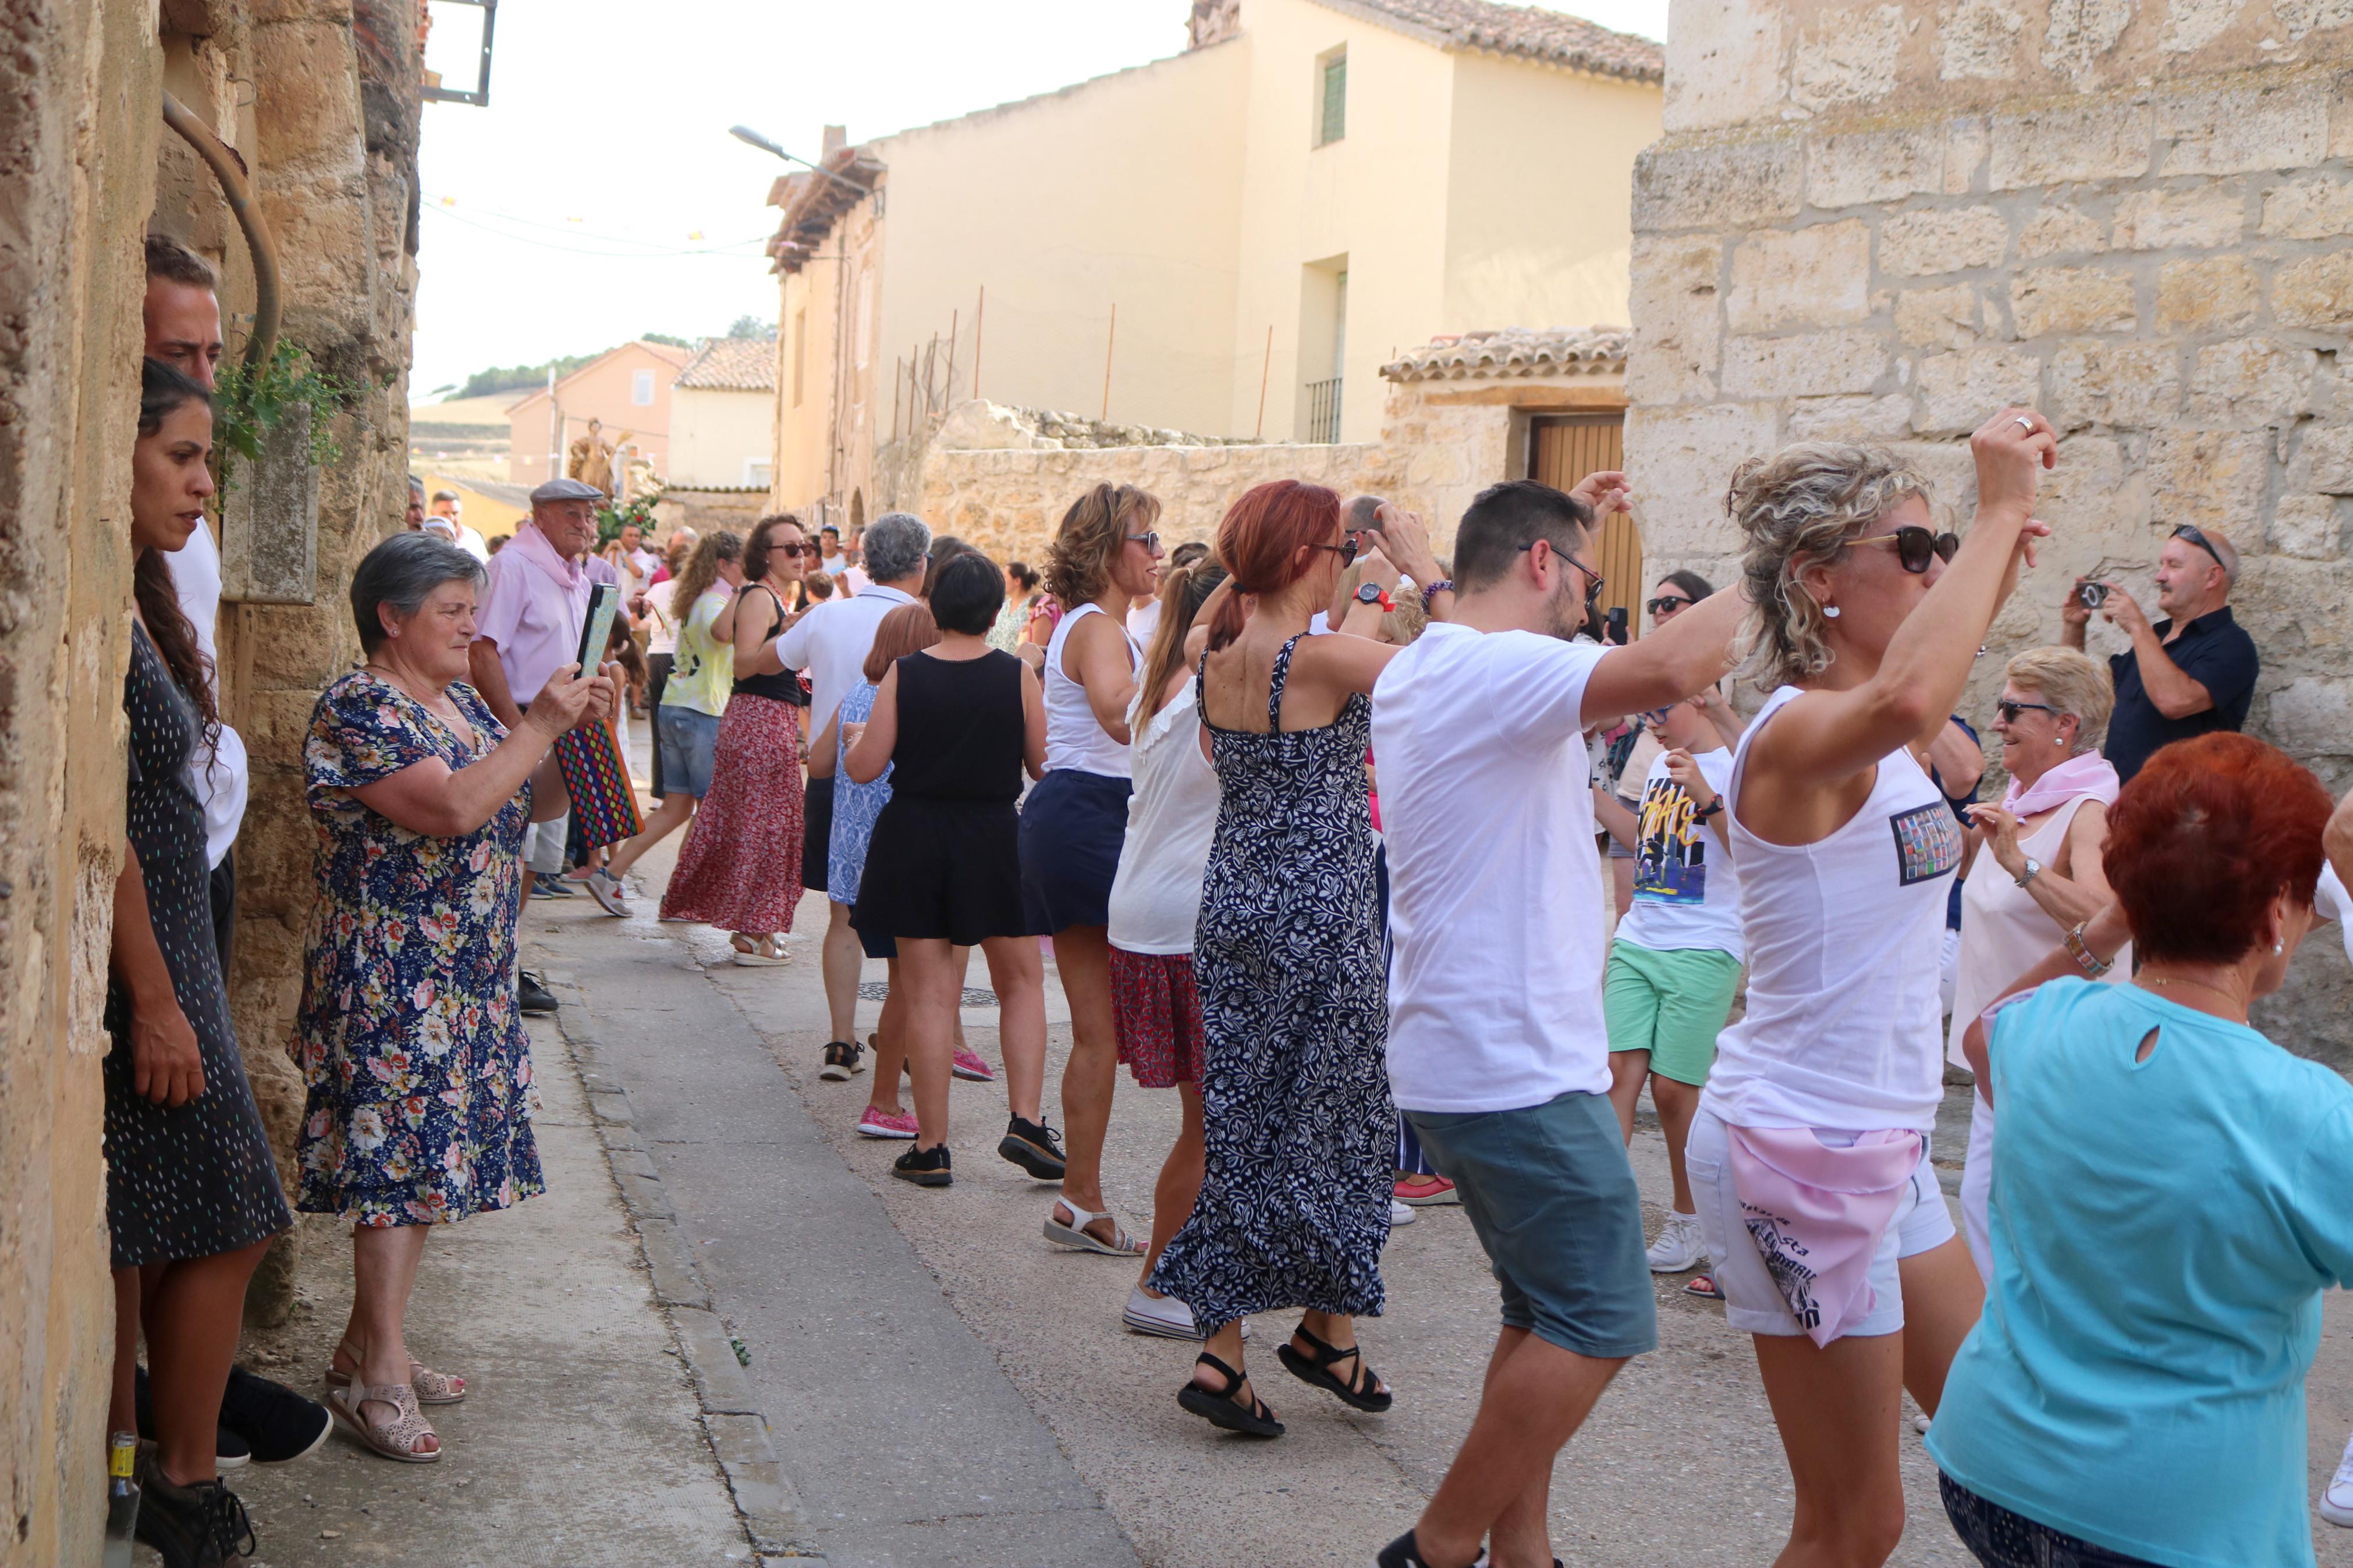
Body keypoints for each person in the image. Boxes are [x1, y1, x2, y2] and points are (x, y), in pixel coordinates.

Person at [1683, 413, 2053, 1568]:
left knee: (2007, 1447)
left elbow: (1917, 685)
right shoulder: (1796, 738)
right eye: (1906, 550)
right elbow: (1901, 700)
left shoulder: (1880, 731)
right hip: (1803, 1141)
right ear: (1813, 578)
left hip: (1877, 1140)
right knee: (1854, 1524)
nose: (1930, 568)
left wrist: (1986, 551)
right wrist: (1991, 514)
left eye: (1932, 547)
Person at [1368, 478, 1746, 1568]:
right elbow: (1677, 668)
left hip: (1472, 1053)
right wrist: (1783, 567)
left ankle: (1520, 1552)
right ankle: (1438, 1549)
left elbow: (1456, 606)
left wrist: (1424, 565)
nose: (1592, 599)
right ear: (1542, 565)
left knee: (1539, 1311)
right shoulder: (1496, 665)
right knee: (1602, 1316)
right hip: (1513, 1063)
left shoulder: (1439, 656)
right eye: (1585, 575)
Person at [1929, 734, 2346, 1568]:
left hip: (1990, 1465)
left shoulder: (2036, 1029)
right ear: (2274, 916)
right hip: (2170, 1518)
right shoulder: (2306, 1116)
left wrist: (2107, 925)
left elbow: (1979, 1034)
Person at [298, 532, 612, 1463]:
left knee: (425, 1161)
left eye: (473, 611)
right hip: (392, 972)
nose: (471, 627)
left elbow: (531, 801)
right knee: (395, 1168)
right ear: (392, 617)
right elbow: (449, 808)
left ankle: (366, 1343)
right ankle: (377, 1379)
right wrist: (539, 726)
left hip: (462, 971)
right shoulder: (362, 705)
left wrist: (574, 732)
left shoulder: (458, 702)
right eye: (451, 611)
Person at [1147, 481, 1446, 1442]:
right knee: (1345, 1126)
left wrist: (1364, 582)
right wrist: (1417, 566)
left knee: (1245, 1125)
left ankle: (1255, 1342)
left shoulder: (1216, 659)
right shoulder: (1320, 658)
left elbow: (1324, 639)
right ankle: (1320, 1331)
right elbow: (1451, 674)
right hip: (1320, 919)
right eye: (1329, 547)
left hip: (1231, 910)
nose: (1337, 559)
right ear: (1299, 557)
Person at [109, 358, 293, 1565]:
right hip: (154, 980)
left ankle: (159, 1469)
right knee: (232, 1212)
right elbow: (99, 820)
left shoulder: (135, 595)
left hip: (176, 957)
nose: (199, 485)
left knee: (189, 1219)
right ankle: (179, 1480)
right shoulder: (96, 608)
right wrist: (162, 1003)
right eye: (180, 456)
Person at [843, 552, 1062, 1187]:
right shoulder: (1015, 675)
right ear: (996, 612)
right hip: (993, 833)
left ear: (931, 607)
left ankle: (932, 1146)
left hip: (914, 835)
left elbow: (863, 768)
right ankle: (1024, 1119)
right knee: (1020, 981)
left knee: (929, 995)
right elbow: (1042, 763)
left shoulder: (905, 675)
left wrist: (859, 737)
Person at [1946, 647, 2123, 1274]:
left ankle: (2031, 1354)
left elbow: (2104, 918)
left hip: (2056, 1057)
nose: (1995, 723)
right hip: (2004, 1052)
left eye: (2010, 709)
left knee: (2020, 1219)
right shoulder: (2020, 796)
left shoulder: (2089, 810)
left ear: (2063, 724)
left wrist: (2020, 862)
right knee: (1989, 1211)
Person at [1023, 483, 1165, 1257]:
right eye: (1145, 538)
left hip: (1076, 812)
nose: (1156, 550)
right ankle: (1081, 1197)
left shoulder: (1091, 623)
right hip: (1090, 814)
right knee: (1099, 1031)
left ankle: (1080, 1199)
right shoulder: (1102, 628)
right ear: (1108, 548)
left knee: (1095, 1031)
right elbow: (1119, 712)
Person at [1105, 559, 1231, 1338]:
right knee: (1211, 1121)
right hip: (1180, 920)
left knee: (1209, 1117)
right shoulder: (1203, 686)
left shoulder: (1160, 694)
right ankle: (1158, 1281)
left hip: (1149, 911)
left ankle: (1176, 1274)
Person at [765, 512, 929, 1076]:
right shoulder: (925, 623)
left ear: (864, 560)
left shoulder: (828, 615)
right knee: (909, 927)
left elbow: (766, 663)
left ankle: (841, 1040)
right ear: (921, 563)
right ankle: (897, 1034)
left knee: (843, 915)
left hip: (834, 773)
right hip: (907, 781)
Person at [1591, 691, 1744, 1282]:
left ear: (1704, 702)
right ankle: (1599, 1223)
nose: (1650, 723)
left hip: (1705, 946)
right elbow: (1646, 842)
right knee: (1614, 1074)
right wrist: (1591, 798)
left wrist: (1705, 794)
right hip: (1641, 938)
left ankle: (1689, 1220)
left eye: (1662, 711)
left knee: (1675, 1092)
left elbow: (1753, 853)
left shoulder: (1738, 760)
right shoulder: (1656, 761)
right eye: (1646, 712)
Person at [811, 602, 941, 1137]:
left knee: (845, 930)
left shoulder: (857, 695)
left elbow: (818, 765)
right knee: (907, 972)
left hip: (851, 846)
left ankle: (843, 1040)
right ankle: (894, 1062)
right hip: (898, 847)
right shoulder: (917, 698)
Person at [659, 515, 812, 963]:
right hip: (759, 719)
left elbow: (728, 639)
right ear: (766, 555)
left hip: (763, 718)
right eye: (790, 548)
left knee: (765, 825)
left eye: (802, 546)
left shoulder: (760, 595)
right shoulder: (761, 597)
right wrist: (788, 634)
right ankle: (751, 931)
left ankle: (756, 929)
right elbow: (744, 664)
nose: (800, 554)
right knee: (765, 826)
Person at [470, 476, 611, 961]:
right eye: (573, 513)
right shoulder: (513, 566)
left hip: (560, 726)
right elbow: (483, 651)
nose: (585, 524)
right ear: (540, 515)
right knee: (516, 848)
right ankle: (497, 960)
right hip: (526, 721)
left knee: (537, 854)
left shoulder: (577, 576)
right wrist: (517, 730)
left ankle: (507, 958)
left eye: (590, 515)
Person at [601, 531, 741, 894]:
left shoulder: (698, 598)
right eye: (744, 563)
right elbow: (722, 633)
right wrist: (744, 594)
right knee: (710, 810)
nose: (750, 569)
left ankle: (610, 875)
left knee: (676, 808)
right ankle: (682, 895)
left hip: (677, 708)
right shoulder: (718, 601)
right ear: (724, 565)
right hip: (702, 712)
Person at [2063, 522, 2258, 782]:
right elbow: (2077, 691)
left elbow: (2174, 701)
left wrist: (2137, 625)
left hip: (2182, 813)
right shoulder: (2155, 638)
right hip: (2121, 805)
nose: (2160, 576)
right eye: (2162, 564)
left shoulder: (2233, 645)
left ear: (2212, 577)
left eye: (2174, 566)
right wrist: (2074, 626)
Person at [988, 560, 1041, 652]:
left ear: (1017, 581)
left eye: (1005, 577)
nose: (1001, 580)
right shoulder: (1003, 606)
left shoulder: (1031, 608)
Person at [427, 489, 491, 564]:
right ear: (433, 513)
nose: (451, 518)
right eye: (445, 513)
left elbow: (485, 569)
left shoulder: (474, 538)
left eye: (455, 513)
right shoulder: (424, 539)